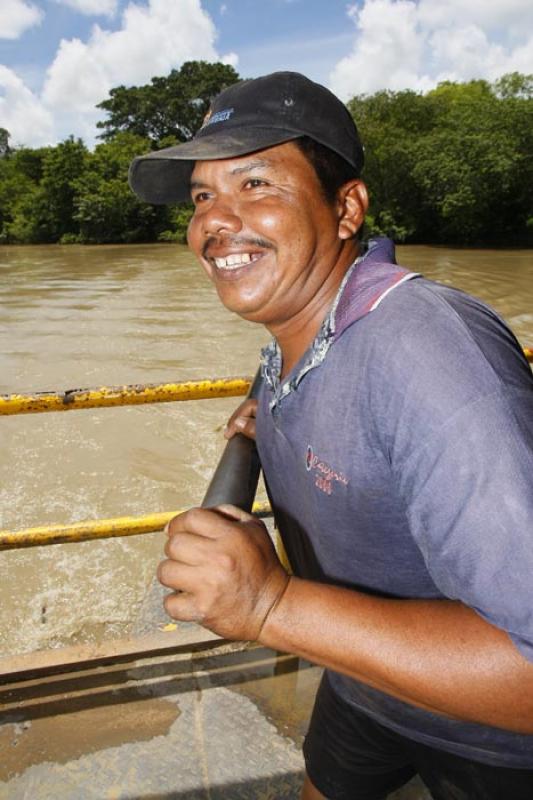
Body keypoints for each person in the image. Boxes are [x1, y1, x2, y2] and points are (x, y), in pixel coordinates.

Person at [129, 72, 533, 800]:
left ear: (345, 208)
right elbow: (309, 368)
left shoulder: (430, 355)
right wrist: (265, 410)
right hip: (362, 678)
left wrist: (270, 606)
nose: (214, 221)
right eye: (201, 197)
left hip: (493, 737)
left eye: (254, 184)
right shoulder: (299, 323)